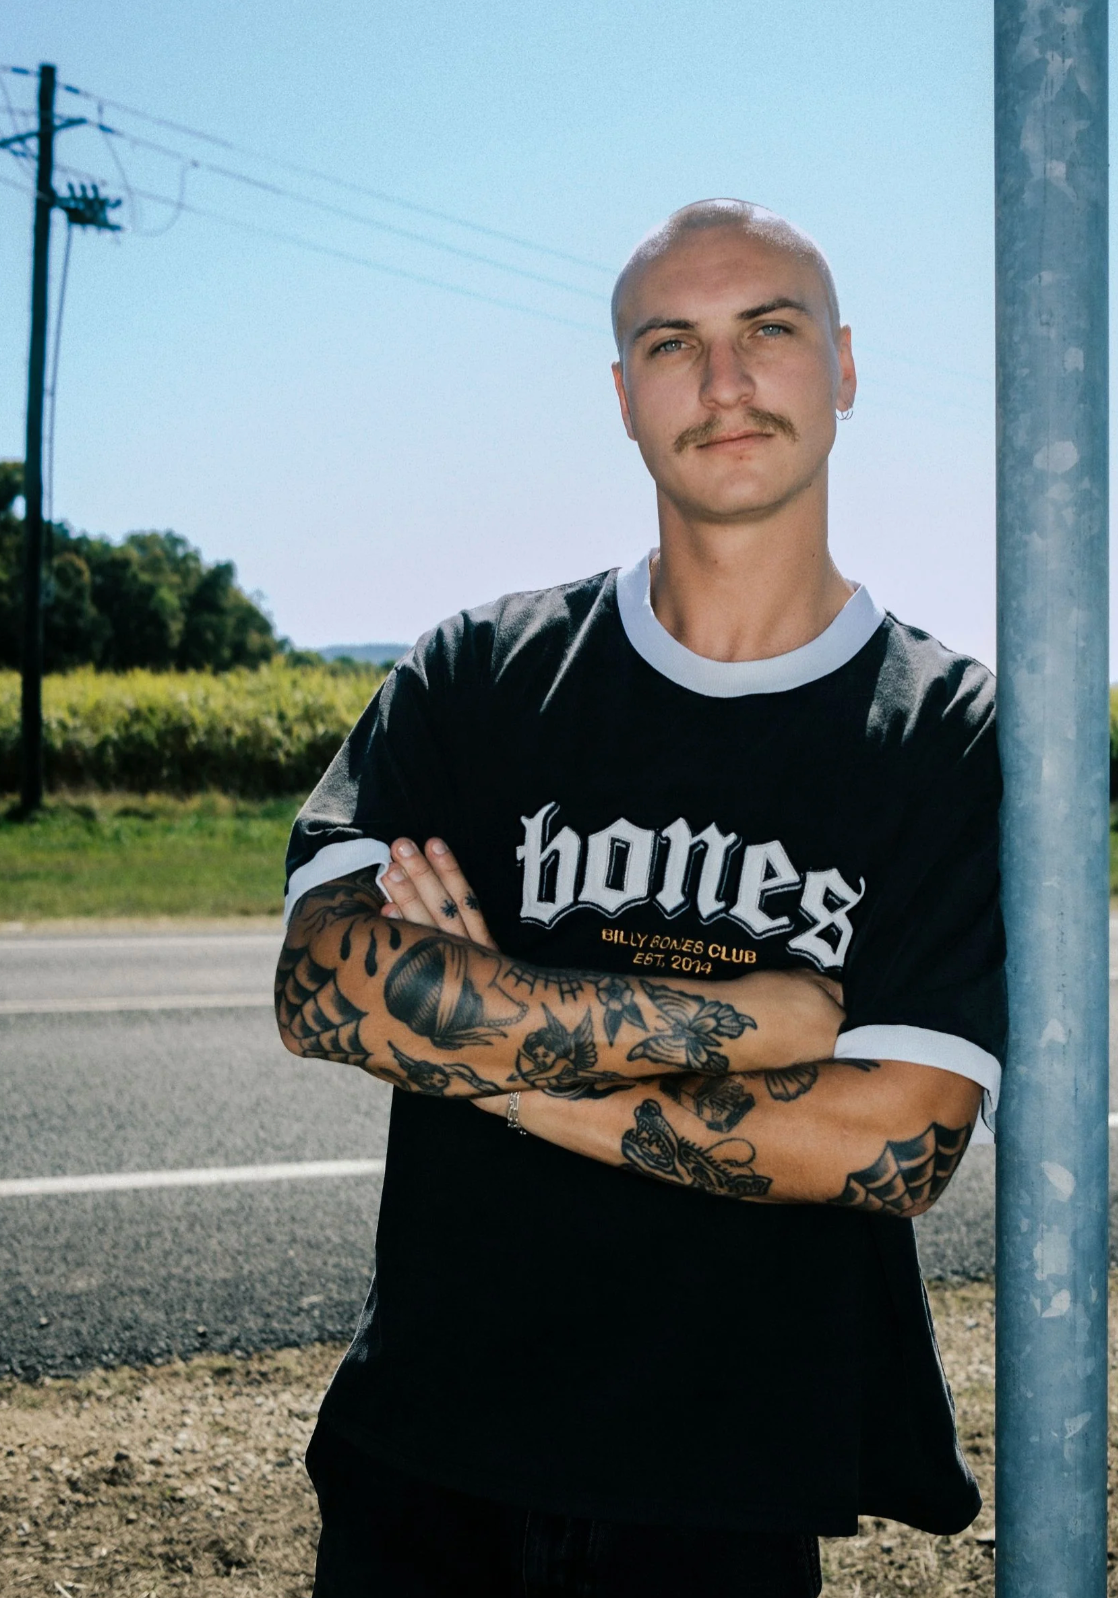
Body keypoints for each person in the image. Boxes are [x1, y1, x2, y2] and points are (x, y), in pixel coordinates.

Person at [277, 198, 1006, 1598]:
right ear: (622, 397)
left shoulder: (945, 729)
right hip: (422, 1458)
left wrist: (486, 1062)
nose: (722, 383)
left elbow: (894, 1144)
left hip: (721, 1496)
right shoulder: (479, 674)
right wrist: (751, 1020)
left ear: (842, 369)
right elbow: (327, 991)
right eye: (672, 344)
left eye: (767, 333)